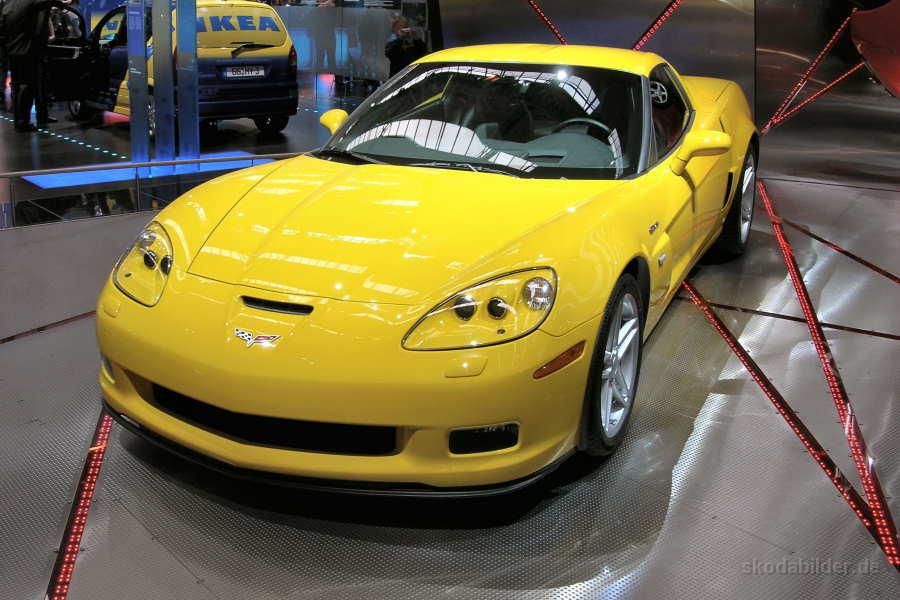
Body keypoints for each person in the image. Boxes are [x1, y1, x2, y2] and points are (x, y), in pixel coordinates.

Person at [2, 0, 52, 131]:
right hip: (28, 51)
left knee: (17, 86)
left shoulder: (8, 5)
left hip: (12, 50)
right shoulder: (31, 2)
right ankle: (23, 122)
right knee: (26, 87)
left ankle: (19, 120)